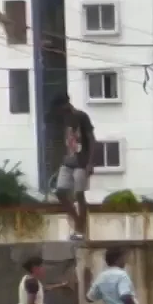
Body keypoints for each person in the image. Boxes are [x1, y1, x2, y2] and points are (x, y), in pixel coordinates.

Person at [53, 96, 96, 242]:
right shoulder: (63, 120)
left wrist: (90, 163)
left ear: (67, 104)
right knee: (60, 192)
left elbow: (91, 139)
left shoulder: (81, 116)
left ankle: (80, 230)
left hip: (81, 162)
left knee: (79, 195)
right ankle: (78, 222)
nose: (59, 111)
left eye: (61, 108)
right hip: (67, 162)